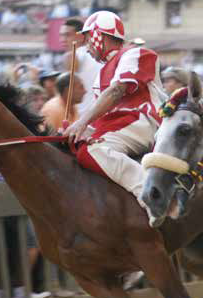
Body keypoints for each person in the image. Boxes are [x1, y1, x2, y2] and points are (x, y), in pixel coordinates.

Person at [63, 11, 166, 218]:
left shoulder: (134, 53)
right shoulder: (101, 74)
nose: (86, 46)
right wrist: (78, 129)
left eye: (88, 38)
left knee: (92, 150)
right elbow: (104, 115)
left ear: (99, 35)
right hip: (122, 124)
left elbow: (117, 91)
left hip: (143, 119)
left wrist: (82, 123)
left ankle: (150, 193)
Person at [60, 18, 101, 116]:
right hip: (96, 114)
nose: (63, 40)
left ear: (81, 36)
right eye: (61, 35)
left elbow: (71, 59)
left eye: (67, 35)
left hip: (84, 118)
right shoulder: (97, 54)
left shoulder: (78, 54)